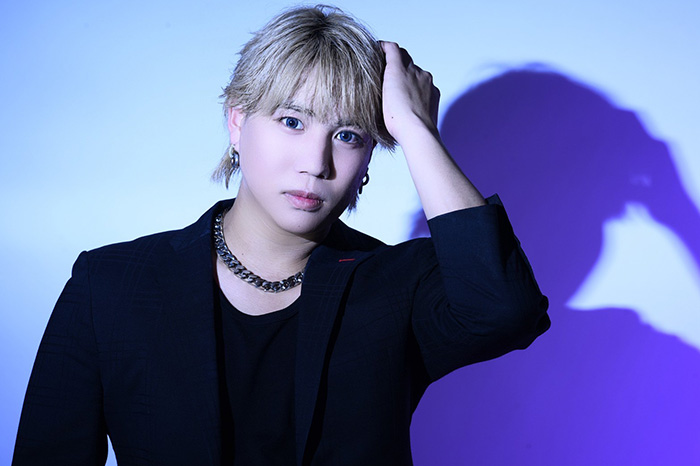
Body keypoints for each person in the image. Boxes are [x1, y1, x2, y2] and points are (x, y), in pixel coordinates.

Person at [13, 5, 549, 465]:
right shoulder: (110, 284)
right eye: (293, 121)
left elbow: (505, 312)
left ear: (369, 157)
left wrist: (415, 128)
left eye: (347, 135)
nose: (315, 162)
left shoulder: (397, 286)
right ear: (237, 122)